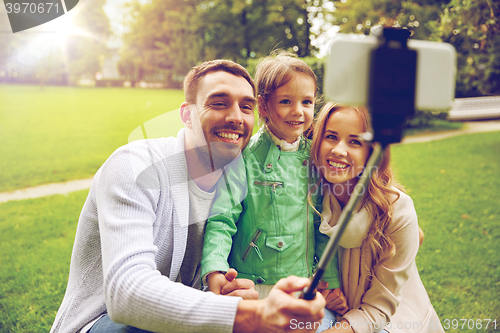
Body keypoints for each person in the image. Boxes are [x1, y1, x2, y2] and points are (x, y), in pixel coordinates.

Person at [50, 59, 326, 333]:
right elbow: (127, 293)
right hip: (103, 322)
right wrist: (251, 314)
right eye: (218, 103)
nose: (235, 117)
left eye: (245, 107)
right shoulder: (135, 164)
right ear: (186, 114)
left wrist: (228, 292)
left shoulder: (239, 179)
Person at [200, 53, 346, 331]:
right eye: (285, 102)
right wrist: (215, 268)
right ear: (264, 106)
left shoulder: (315, 159)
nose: (298, 111)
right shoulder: (243, 158)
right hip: (251, 286)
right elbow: (222, 220)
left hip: (299, 283)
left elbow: (322, 226)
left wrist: (331, 282)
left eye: (306, 102)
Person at [308, 102, 444, 333]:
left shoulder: (398, 210)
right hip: (339, 311)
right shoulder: (313, 199)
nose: (339, 150)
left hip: (393, 319)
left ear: (372, 152)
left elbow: (379, 309)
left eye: (354, 141)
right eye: (331, 136)